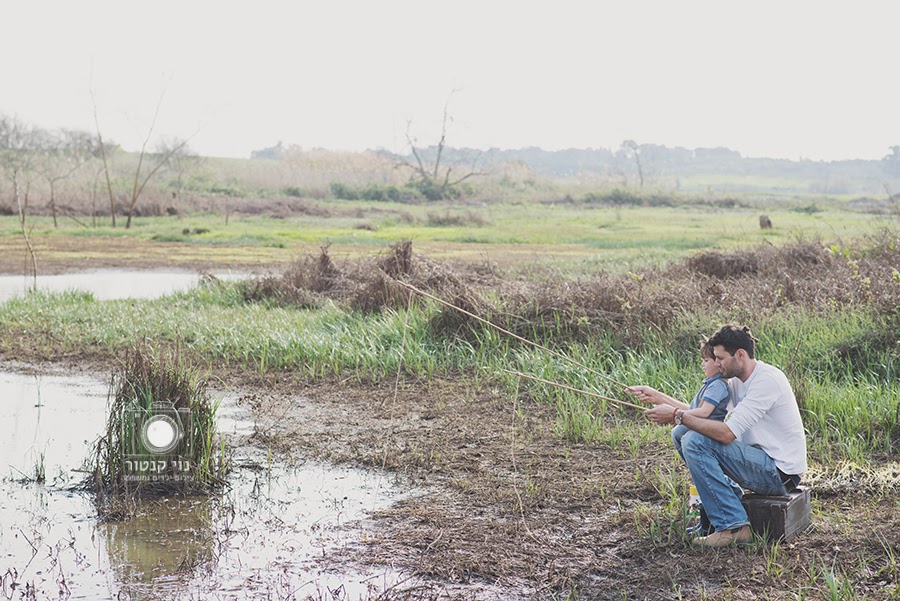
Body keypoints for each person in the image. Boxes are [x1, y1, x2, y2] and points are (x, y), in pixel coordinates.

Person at [627, 324, 807, 548]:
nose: (716, 363)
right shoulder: (736, 381)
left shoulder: (766, 381)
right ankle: (728, 498)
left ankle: (733, 527)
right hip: (757, 461)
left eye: (720, 358)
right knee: (682, 432)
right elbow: (701, 413)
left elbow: (727, 434)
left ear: (740, 355)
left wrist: (676, 415)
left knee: (695, 440)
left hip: (779, 473)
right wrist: (658, 398)